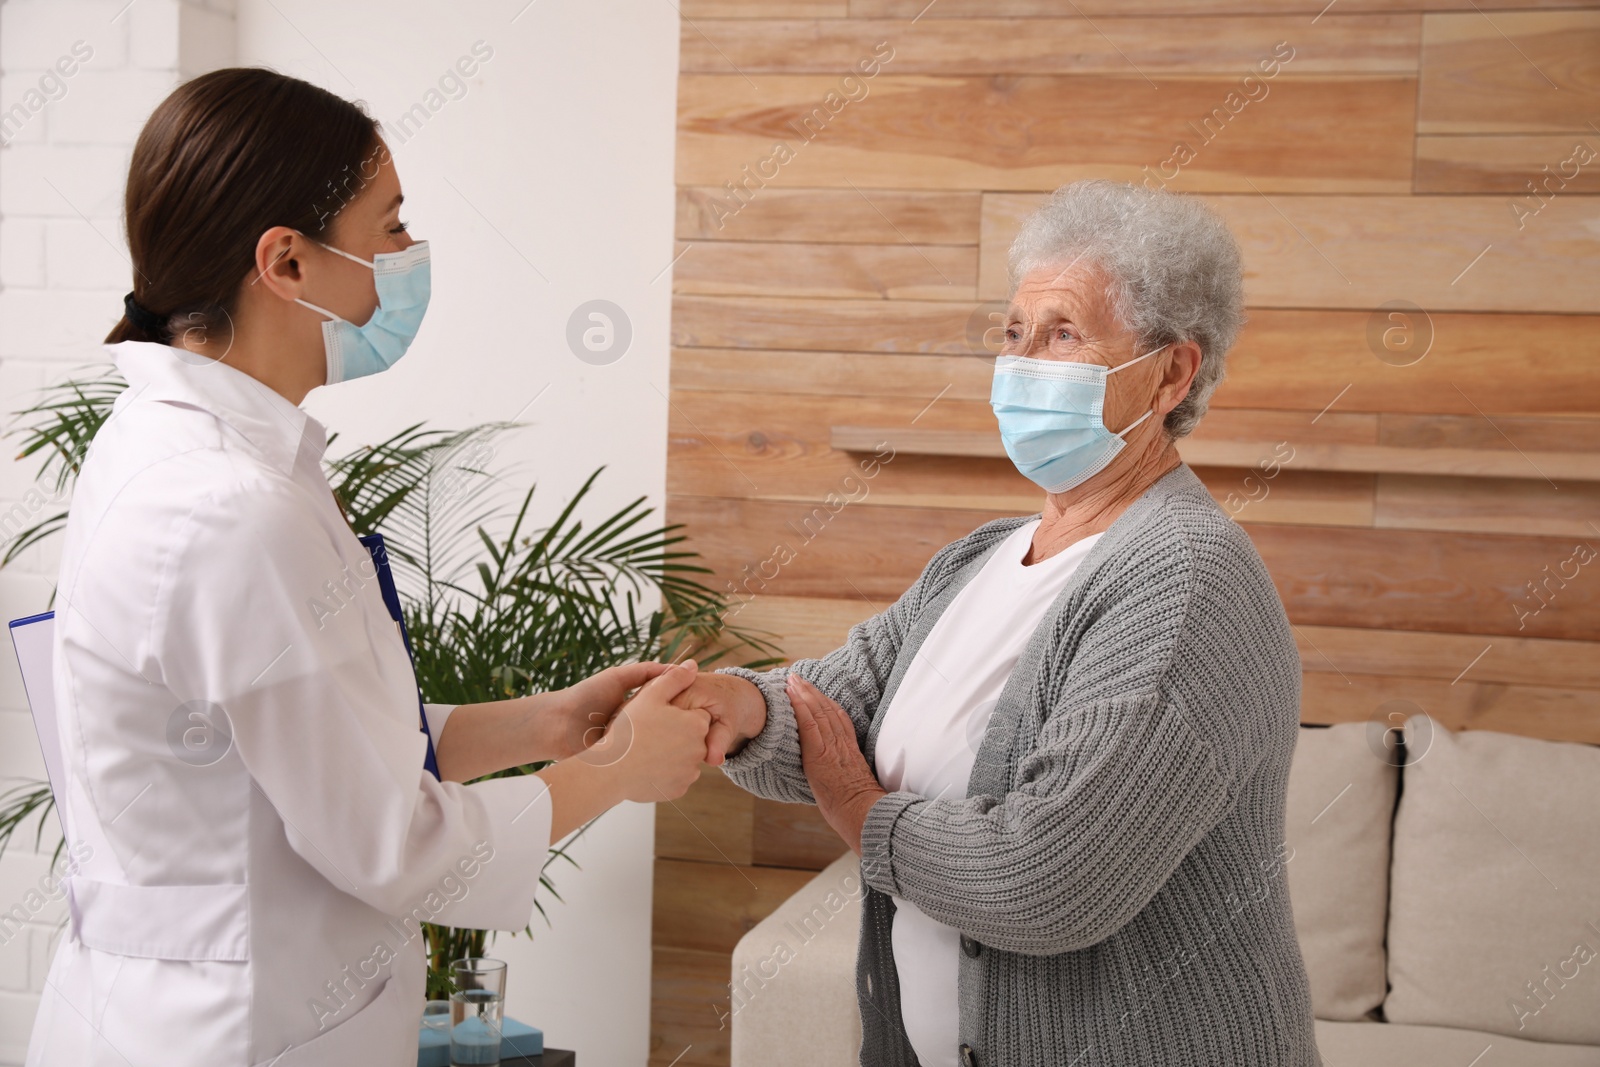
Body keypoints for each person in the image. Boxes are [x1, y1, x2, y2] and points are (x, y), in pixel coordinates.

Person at [28, 68, 710, 1067]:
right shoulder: (231, 508)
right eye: (389, 228)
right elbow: (392, 845)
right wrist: (611, 771)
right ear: (287, 262)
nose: (406, 257)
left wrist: (541, 723)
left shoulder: (190, 453)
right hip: (235, 1034)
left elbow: (285, 741)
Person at [678, 181, 1321, 1065]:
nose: (1024, 363)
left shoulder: (1185, 579)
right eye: (1015, 334)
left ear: (1172, 372)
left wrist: (861, 811)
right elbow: (834, 706)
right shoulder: (985, 556)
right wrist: (731, 704)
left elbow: (1052, 879)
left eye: (1064, 333)